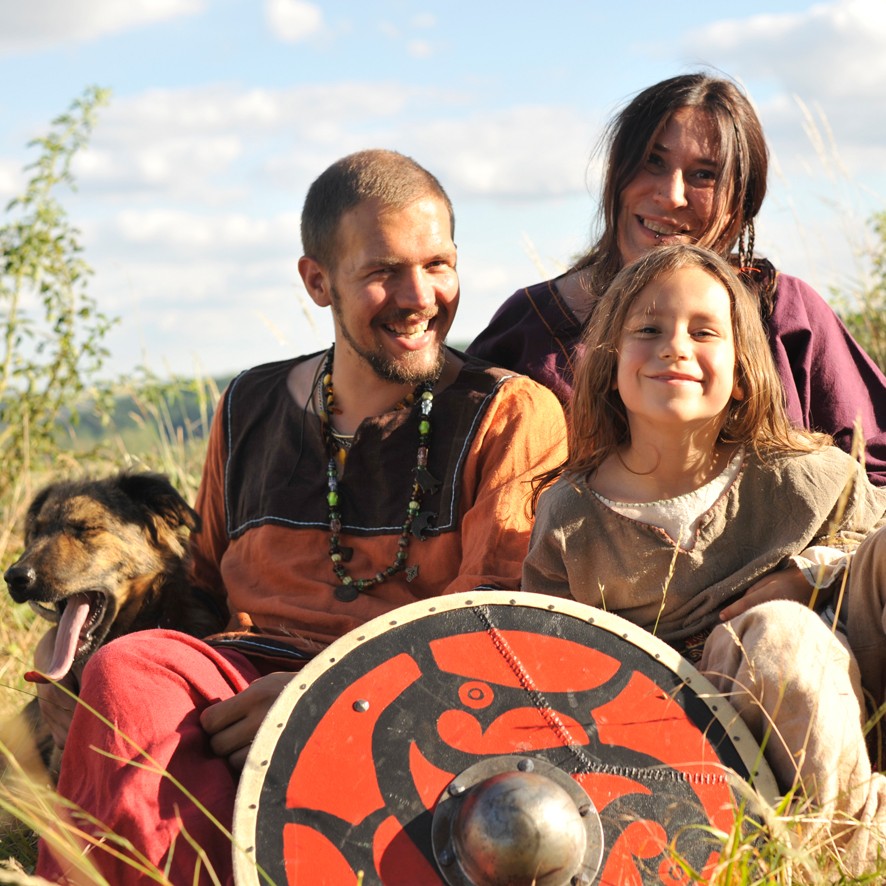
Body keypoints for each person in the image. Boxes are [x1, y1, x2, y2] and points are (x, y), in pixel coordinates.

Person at [35, 149, 567, 884]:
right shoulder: (248, 407)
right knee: (129, 670)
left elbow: (489, 626)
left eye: (439, 263)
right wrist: (88, 685)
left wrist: (321, 706)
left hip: (408, 712)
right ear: (317, 280)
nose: (420, 295)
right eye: (383, 272)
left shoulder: (507, 413)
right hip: (233, 690)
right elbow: (199, 595)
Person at [522, 243, 886, 874]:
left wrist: (807, 576)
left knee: (802, 615)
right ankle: (839, 862)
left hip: (853, 693)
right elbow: (550, 666)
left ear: (743, 370)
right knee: (777, 637)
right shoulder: (571, 519)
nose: (675, 347)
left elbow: (868, 554)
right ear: (609, 364)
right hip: (693, 735)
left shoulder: (805, 476)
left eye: (705, 331)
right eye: (649, 330)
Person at [467, 72, 886, 487]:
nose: (671, 195)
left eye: (704, 174)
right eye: (653, 160)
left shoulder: (785, 314)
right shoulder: (528, 329)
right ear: (616, 171)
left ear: (741, 202)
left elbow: (874, 467)